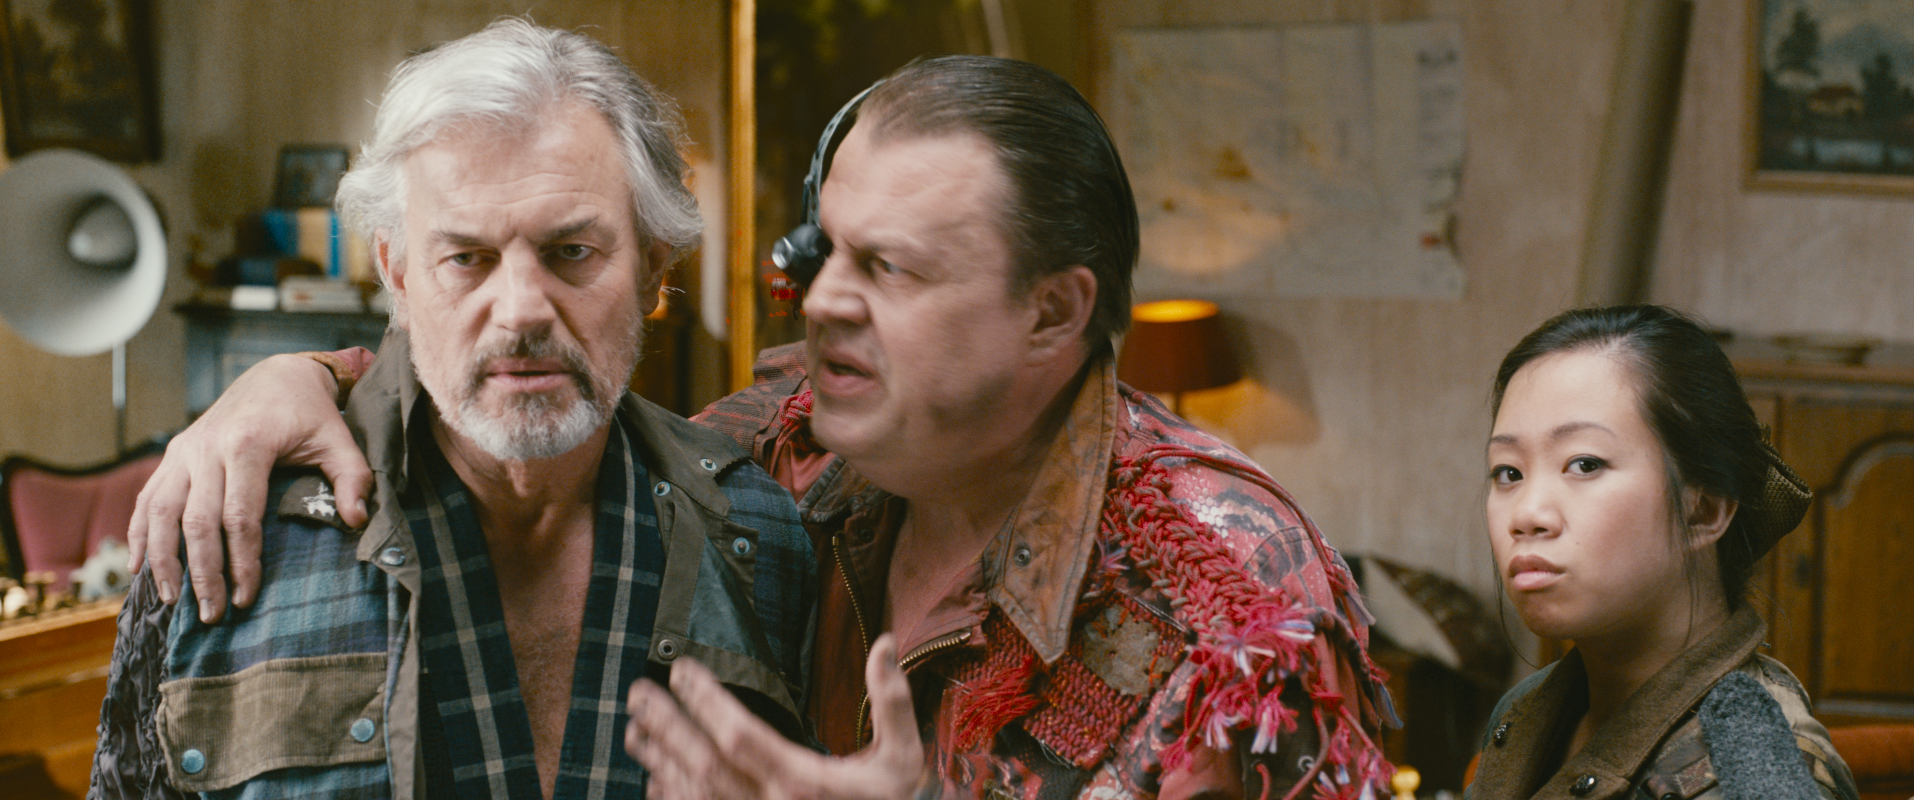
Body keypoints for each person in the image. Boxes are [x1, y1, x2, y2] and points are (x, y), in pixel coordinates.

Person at [125, 55, 1395, 799]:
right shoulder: (790, 445)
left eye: (890, 268)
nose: (823, 299)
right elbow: (526, 386)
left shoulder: (1239, 609)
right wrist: (299, 377)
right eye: (823, 249)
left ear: (1054, 311)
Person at [90, 19, 814, 799]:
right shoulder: (225, 522)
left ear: (651, 269)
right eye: (467, 257)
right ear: (397, 273)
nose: (521, 310)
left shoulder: (759, 534)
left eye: (572, 251)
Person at [1468, 305, 1856, 800]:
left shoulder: (1754, 768)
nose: (1526, 514)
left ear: (1704, 510)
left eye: (1584, 464)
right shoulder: (1523, 712)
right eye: (1508, 472)